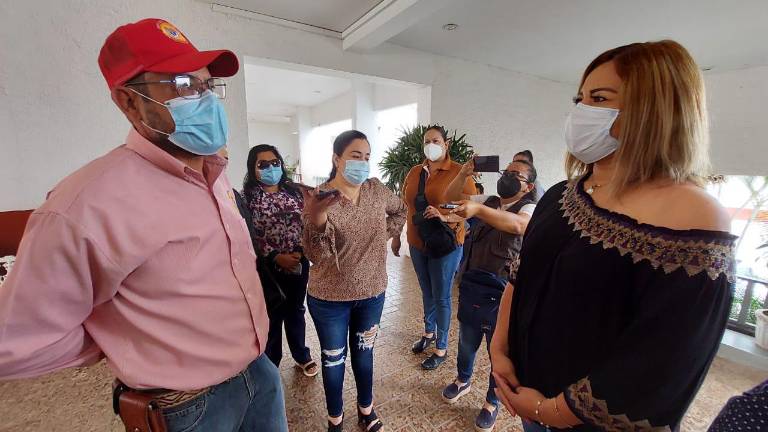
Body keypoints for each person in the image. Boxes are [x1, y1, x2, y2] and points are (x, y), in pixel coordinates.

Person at [0, 19, 288, 431]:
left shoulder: (216, 172)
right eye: (183, 85)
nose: (204, 99)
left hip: (259, 374)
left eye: (207, 86)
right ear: (129, 103)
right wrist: (120, 336)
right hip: (189, 407)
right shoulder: (85, 206)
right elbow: (13, 340)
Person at [490, 40, 735, 431]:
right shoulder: (561, 194)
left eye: (599, 98)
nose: (581, 112)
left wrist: (549, 411)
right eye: (580, 98)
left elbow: (661, 362)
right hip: (528, 395)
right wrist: (499, 349)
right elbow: (521, 277)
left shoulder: (694, 217)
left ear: (652, 109)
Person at [302, 130, 406, 432]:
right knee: (334, 361)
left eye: (367, 157)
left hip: (372, 294)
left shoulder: (375, 190)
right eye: (355, 156)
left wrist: (384, 234)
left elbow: (401, 210)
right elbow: (315, 254)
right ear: (337, 159)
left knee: (364, 355)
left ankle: (366, 410)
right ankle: (336, 420)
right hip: (329, 299)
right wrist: (318, 218)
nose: (363, 163)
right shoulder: (319, 197)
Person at [442, 159, 538, 432]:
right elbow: (450, 199)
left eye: (515, 174)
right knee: (466, 340)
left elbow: (519, 226)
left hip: (504, 293)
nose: (507, 176)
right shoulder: (491, 200)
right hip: (473, 284)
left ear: (528, 185)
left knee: (499, 352)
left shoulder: (529, 207)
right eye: (506, 171)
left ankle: (492, 400)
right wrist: (463, 174)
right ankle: (463, 379)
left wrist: (478, 209)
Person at [403, 125, 477, 370]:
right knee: (426, 291)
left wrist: (444, 217)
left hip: (446, 245)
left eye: (436, 140)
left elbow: (469, 211)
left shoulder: (459, 173)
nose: (430, 145)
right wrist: (397, 237)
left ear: (447, 144)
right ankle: (429, 333)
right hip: (417, 241)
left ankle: (442, 347)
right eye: (427, 141)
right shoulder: (415, 172)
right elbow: (408, 205)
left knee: (442, 296)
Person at [242, 144, 318, 377]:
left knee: (295, 310)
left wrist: (300, 252)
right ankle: (271, 361)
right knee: (272, 314)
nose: (271, 168)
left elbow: (308, 221)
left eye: (275, 163)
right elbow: (247, 233)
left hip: (298, 261)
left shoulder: (295, 191)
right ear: (253, 169)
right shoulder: (247, 198)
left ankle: (301, 355)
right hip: (268, 267)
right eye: (263, 164)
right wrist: (275, 256)